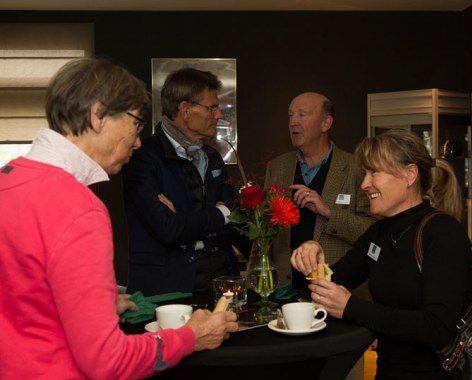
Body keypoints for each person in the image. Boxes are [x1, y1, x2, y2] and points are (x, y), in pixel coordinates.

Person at [0, 57, 238, 379]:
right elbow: (108, 361)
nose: (138, 141)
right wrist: (190, 337)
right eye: (136, 123)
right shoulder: (79, 207)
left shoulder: (9, 180)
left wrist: (91, 308)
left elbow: (22, 298)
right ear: (98, 115)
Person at [291, 128, 472, 379]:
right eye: (365, 173)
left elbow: (436, 328)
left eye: (374, 172)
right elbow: (331, 284)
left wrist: (351, 307)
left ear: (410, 174)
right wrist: (315, 257)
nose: (365, 184)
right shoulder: (380, 233)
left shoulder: (442, 233)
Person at [123, 67, 244, 296]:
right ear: (185, 109)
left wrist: (186, 221)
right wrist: (220, 215)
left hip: (220, 285)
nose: (218, 115)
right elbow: (168, 230)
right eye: (212, 108)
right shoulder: (142, 157)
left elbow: (236, 218)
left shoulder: (212, 157)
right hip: (167, 292)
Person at [262, 91, 376, 288]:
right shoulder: (277, 167)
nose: (293, 122)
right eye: (290, 115)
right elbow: (263, 231)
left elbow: (374, 232)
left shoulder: (356, 168)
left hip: (337, 288)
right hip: (284, 290)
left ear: (326, 123)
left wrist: (329, 212)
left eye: (302, 114)